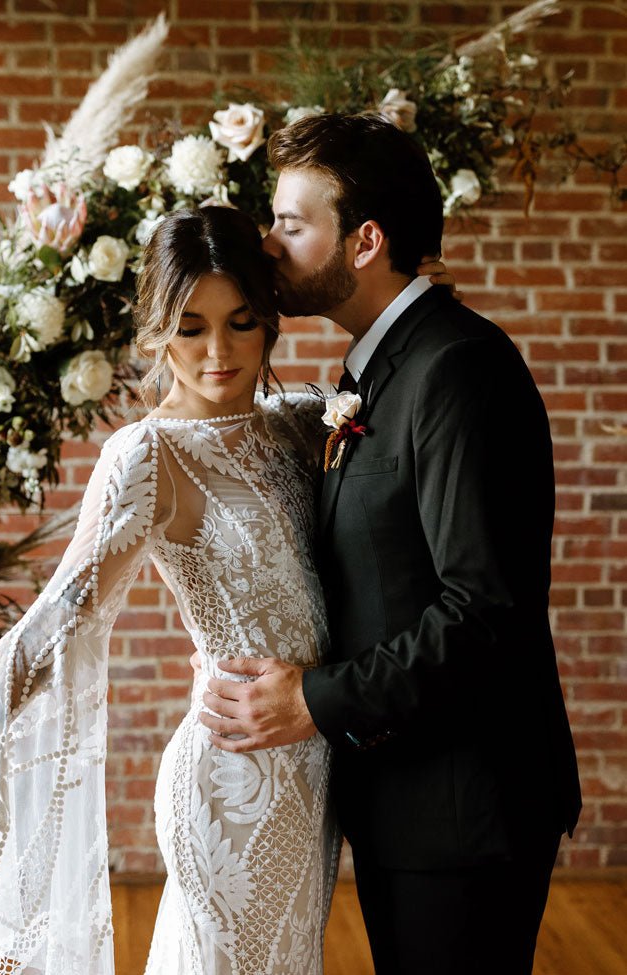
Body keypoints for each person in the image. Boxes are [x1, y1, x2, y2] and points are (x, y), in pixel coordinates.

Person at [0, 204, 450, 975]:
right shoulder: (147, 455)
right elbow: (58, 617)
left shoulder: (302, 421)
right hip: (230, 786)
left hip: (314, 775)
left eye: (241, 322)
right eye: (191, 328)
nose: (219, 352)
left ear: (269, 319)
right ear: (158, 331)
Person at [198, 113, 583, 975]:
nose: (269, 243)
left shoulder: (457, 368)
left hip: (463, 811)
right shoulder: (380, 368)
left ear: (365, 241)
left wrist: (314, 699)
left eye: (291, 224)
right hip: (406, 800)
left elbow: (484, 611)